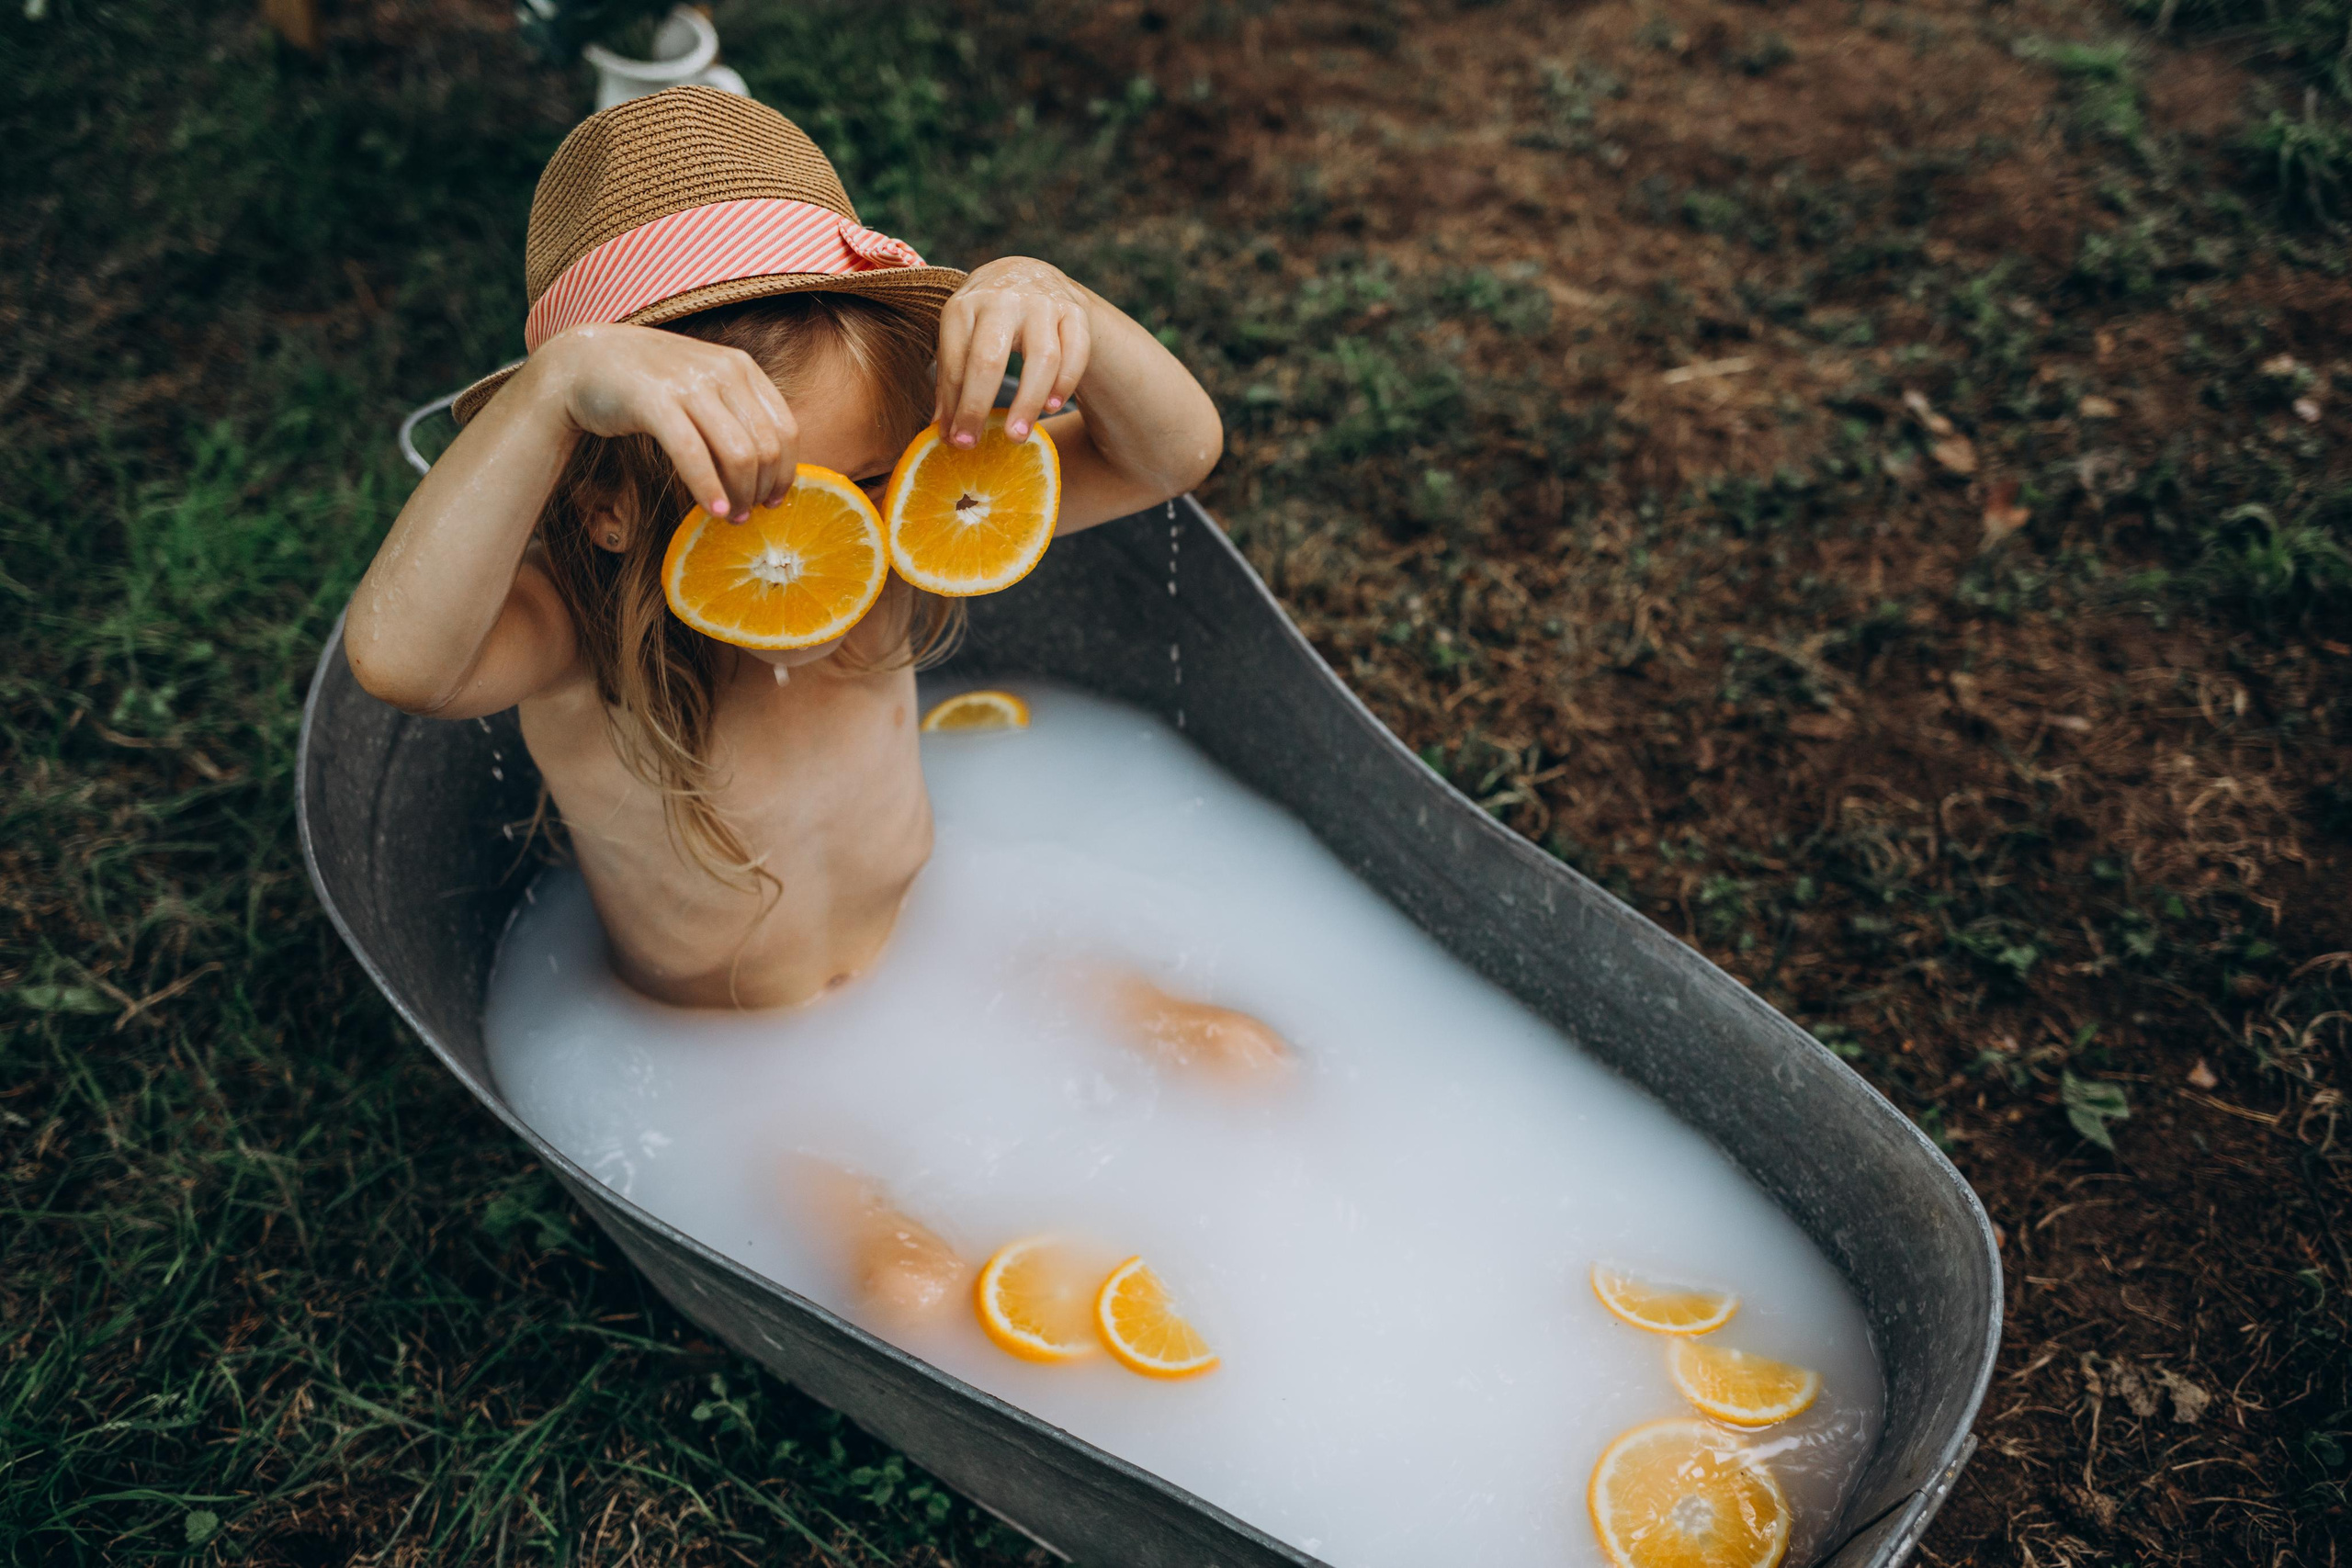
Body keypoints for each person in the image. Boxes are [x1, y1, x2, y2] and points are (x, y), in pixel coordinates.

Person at [347, 85, 1282, 1084]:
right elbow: (400, 663)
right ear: (604, 507)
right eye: (758, 505)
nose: (828, 548)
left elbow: (1166, 456)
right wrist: (552, 391)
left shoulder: (889, 545)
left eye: (865, 482)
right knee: (883, 1207)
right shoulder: (577, 634)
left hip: (934, 943)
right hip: (716, 1054)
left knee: (1243, 1058)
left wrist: (1056, 296)